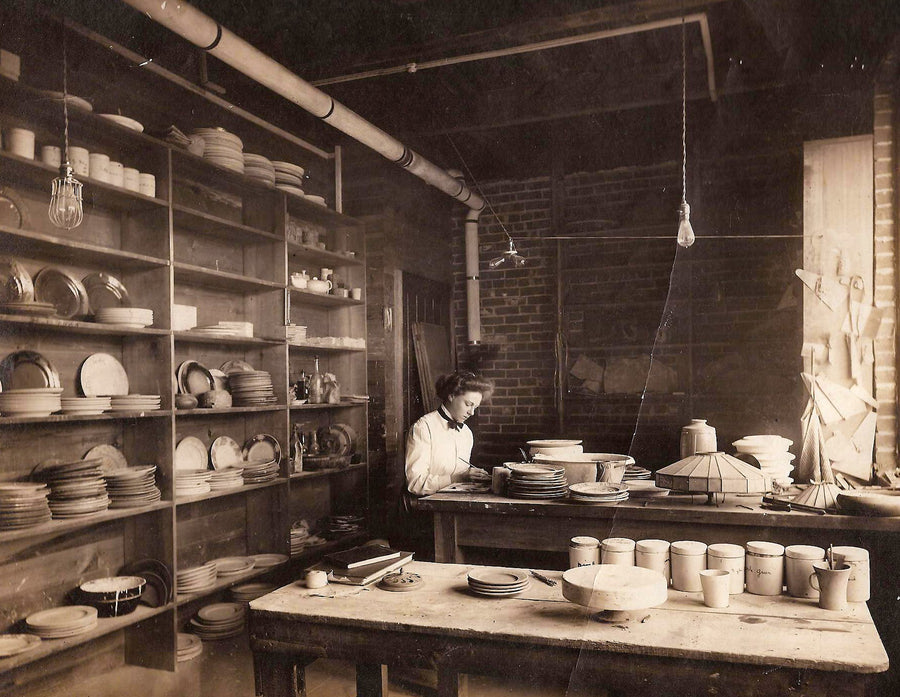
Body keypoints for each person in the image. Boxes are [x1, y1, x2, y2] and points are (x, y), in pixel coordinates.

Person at [405, 370, 494, 496]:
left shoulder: (466, 433)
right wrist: (457, 478)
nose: (472, 412)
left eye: (475, 407)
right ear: (451, 395)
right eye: (468, 404)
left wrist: (472, 475)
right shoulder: (424, 428)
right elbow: (415, 484)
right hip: (428, 507)